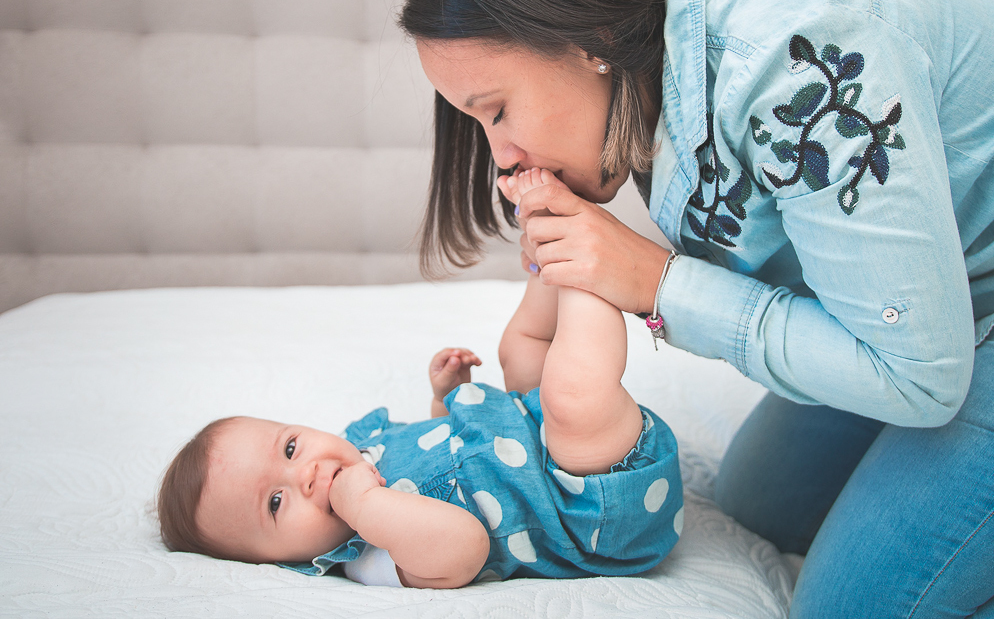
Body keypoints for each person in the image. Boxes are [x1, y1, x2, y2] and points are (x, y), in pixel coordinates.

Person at [398, 0, 994, 617]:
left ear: (590, 36)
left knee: (856, 610)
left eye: (495, 110)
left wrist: (658, 283)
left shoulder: (792, 64)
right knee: (761, 505)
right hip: (967, 293)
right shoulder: (654, 84)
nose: (500, 159)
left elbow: (918, 379)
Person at [157, 169, 683, 587]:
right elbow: (462, 545)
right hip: (590, 503)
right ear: (278, 563)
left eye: (291, 448)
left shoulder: (366, 446)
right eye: (276, 503)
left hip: (537, 430)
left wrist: (445, 399)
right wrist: (365, 507)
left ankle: (549, 244)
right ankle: (582, 262)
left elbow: (442, 454)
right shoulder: (369, 557)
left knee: (519, 348)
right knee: (572, 394)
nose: (307, 475)